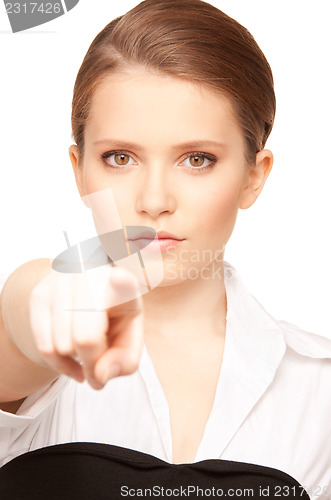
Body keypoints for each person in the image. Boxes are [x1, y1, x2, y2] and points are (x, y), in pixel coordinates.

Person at [0, 0, 330, 498]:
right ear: (79, 170)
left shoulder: (319, 391)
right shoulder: (47, 354)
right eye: (120, 157)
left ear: (253, 176)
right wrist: (37, 292)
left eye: (197, 159)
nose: (154, 201)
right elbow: (21, 329)